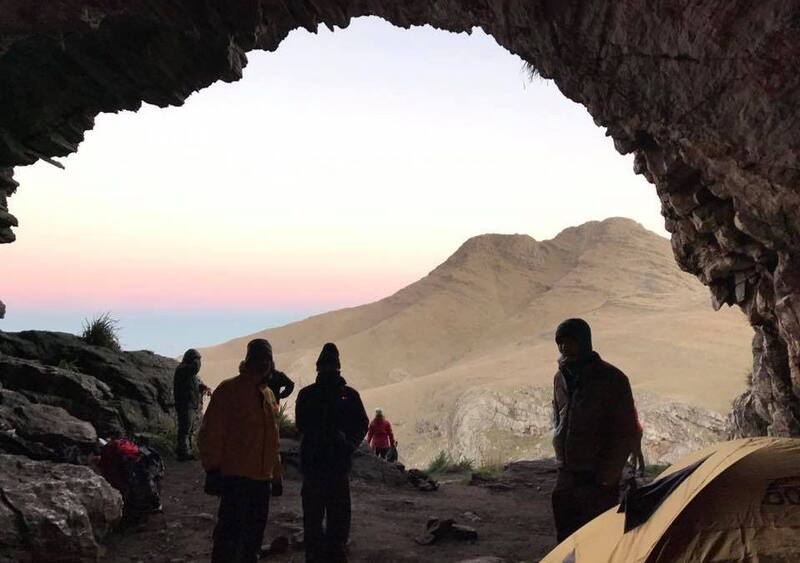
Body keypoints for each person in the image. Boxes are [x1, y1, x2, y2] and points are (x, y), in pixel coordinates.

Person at [550, 318, 638, 542]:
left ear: (584, 342)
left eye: (570, 341)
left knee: (597, 536)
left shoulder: (612, 379)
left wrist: (609, 475)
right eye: (560, 342)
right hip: (567, 470)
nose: (564, 347)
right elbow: (558, 414)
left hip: (597, 473)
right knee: (566, 535)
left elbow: (625, 430)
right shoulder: (560, 378)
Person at [198, 339, 283, 563]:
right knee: (229, 536)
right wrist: (213, 469)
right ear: (248, 360)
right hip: (235, 478)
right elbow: (211, 433)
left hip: (261, 480)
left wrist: (276, 475)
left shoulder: (268, 395)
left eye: (267, 359)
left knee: (253, 537)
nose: (264, 364)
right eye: (259, 359)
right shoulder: (229, 390)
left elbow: (272, 439)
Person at [295, 343, 369, 563]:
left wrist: (345, 442)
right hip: (336, 464)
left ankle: (318, 555)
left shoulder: (307, 394)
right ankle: (334, 554)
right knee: (336, 516)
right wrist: (349, 444)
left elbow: (301, 425)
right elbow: (362, 423)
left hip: (316, 464)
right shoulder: (349, 395)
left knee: (314, 517)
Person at [173, 348, 209, 461]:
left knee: (188, 429)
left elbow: (194, 384)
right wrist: (196, 361)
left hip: (190, 404)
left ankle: (186, 451)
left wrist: (202, 387)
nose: (198, 362)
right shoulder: (182, 369)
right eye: (196, 359)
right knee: (185, 429)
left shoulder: (188, 372)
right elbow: (193, 370)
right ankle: (183, 452)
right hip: (184, 404)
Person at [630, 407, 646, 478]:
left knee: (634, 451)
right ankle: (640, 470)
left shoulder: (630, 409)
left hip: (635, 432)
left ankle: (634, 471)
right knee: (637, 451)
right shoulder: (629, 408)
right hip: (636, 431)